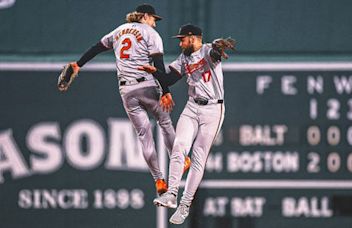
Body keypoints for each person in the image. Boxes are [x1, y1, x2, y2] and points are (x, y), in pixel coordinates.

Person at [63, 3, 190, 195]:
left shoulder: (119, 31)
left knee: (144, 135)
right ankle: (180, 160)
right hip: (147, 85)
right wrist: (165, 91)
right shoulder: (150, 34)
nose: (154, 23)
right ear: (145, 16)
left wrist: (79, 64)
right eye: (153, 19)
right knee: (164, 122)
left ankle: (158, 180)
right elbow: (158, 64)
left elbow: (97, 47)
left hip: (127, 91)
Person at [139, 24, 229, 224]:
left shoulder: (207, 50)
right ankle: (171, 194)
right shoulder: (184, 59)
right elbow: (170, 79)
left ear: (194, 38)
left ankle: (185, 205)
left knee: (198, 156)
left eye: (183, 39)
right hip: (191, 107)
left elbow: (215, 52)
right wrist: (154, 71)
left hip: (213, 109)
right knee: (179, 146)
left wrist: (219, 48)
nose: (180, 43)